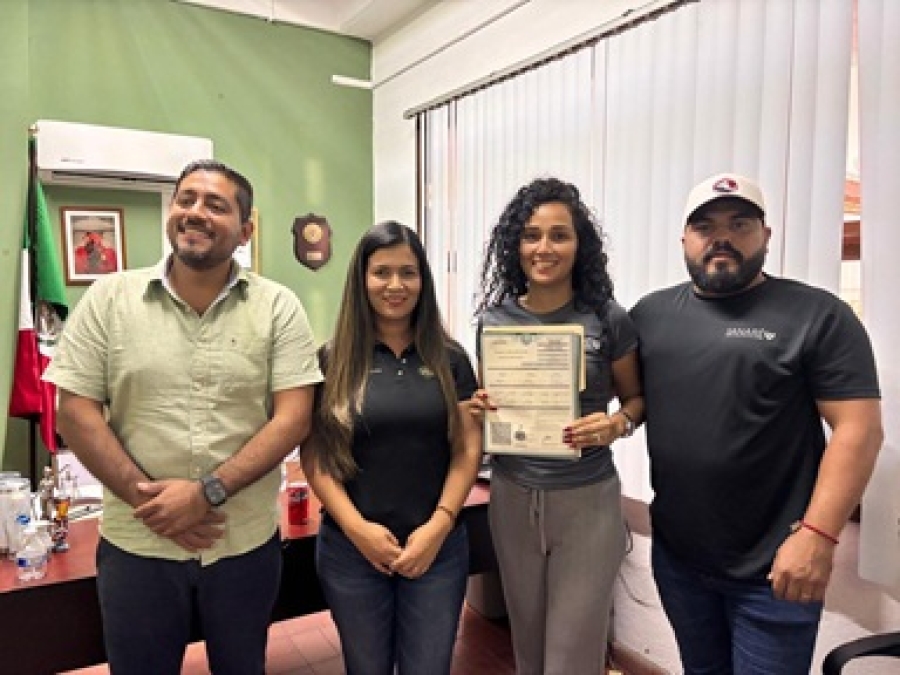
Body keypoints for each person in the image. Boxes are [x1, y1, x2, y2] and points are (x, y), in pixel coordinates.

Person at [44, 159, 323, 675]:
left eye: (216, 205)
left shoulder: (278, 307)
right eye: (186, 199)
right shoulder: (108, 299)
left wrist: (205, 494)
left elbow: (293, 419)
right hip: (137, 547)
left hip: (242, 545)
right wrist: (150, 502)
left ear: (245, 230)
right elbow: (75, 411)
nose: (196, 212)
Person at [630, 173, 884, 675]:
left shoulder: (818, 314)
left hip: (777, 567)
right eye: (705, 226)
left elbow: (859, 430)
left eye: (739, 224)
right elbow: (617, 396)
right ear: (684, 239)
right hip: (679, 559)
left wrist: (817, 535)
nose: (721, 237)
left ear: (766, 235)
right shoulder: (650, 315)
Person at [472, 177, 644, 674]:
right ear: (515, 245)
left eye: (558, 235)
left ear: (579, 244)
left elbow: (637, 400)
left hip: (586, 499)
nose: (543, 248)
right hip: (511, 495)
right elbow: (488, 406)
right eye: (531, 235)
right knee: (526, 641)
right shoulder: (493, 322)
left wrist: (616, 424)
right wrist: (480, 408)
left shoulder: (607, 319)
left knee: (573, 651)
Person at [300, 221, 483, 675]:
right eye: (382, 272)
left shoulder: (451, 359)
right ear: (361, 280)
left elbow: (466, 450)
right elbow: (317, 456)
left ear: (423, 280)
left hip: (437, 549)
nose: (395, 285)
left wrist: (439, 526)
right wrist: (357, 529)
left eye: (408, 272)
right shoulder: (331, 360)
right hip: (352, 551)